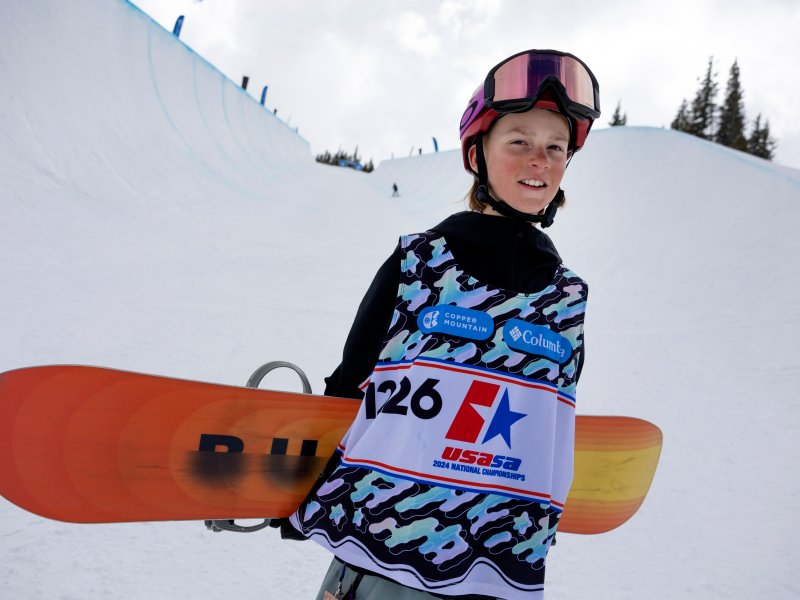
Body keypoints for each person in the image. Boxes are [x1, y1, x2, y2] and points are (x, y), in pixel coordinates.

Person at [288, 49, 601, 599]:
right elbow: (348, 387)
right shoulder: (419, 264)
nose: (540, 160)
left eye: (556, 147)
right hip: (386, 555)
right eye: (519, 142)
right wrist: (296, 487)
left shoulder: (568, 299)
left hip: (502, 569)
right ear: (478, 153)